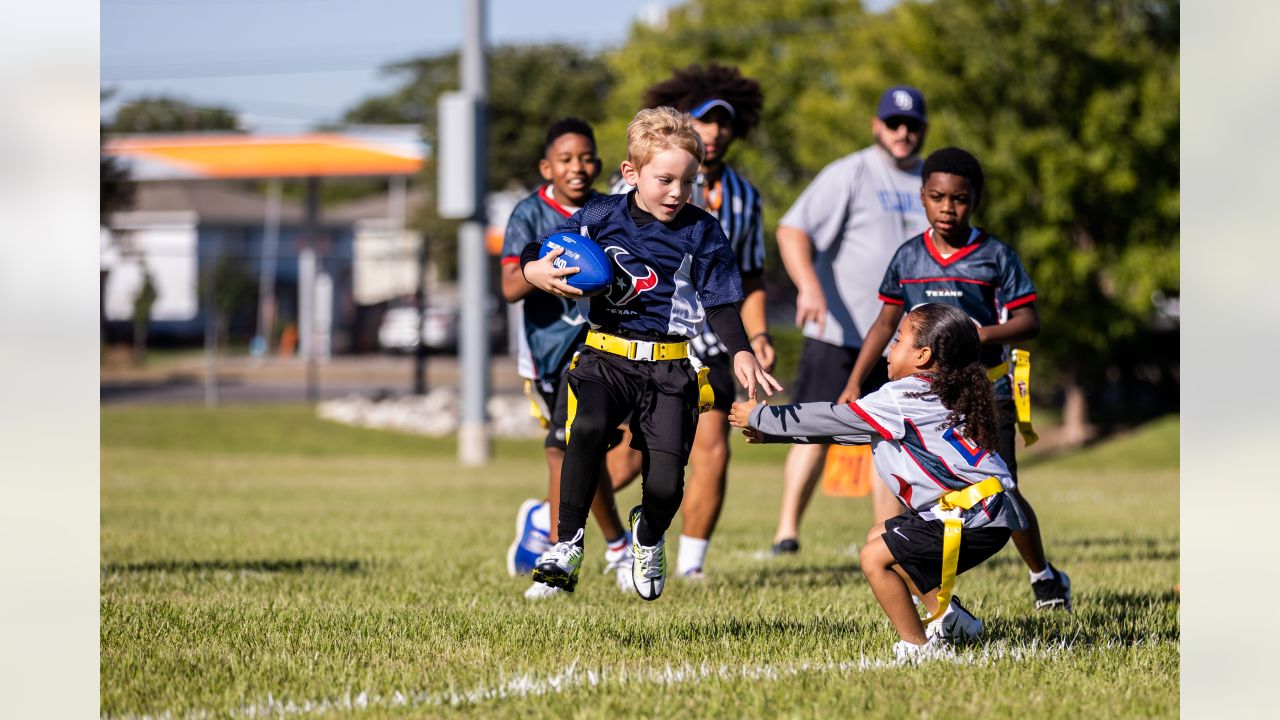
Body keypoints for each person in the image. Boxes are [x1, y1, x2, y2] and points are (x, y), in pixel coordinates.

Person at [521, 107, 781, 600]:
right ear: (631, 173)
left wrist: (742, 352)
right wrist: (535, 271)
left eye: (689, 182)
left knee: (664, 484)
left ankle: (647, 534)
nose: (677, 193)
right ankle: (567, 542)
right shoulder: (601, 216)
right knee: (589, 428)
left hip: (669, 366)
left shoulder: (703, 231)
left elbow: (722, 300)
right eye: (665, 180)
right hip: (605, 355)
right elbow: (539, 245)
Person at [838, 146, 1071, 610]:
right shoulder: (908, 258)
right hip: (927, 401)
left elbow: (1030, 321)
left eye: (959, 198)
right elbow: (886, 324)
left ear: (974, 199)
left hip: (986, 393)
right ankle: (939, 602)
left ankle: (1043, 576)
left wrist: (975, 334)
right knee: (925, 496)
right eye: (937, 196)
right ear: (922, 197)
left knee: (1000, 487)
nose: (948, 207)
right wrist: (854, 380)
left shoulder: (995, 256)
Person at [730, 303, 1026, 660]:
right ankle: (952, 619)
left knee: (874, 558)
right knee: (880, 536)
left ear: (922, 355)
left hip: (973, 514)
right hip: (991, 511)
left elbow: (833, 418)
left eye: (898, 339)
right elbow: (852, 432)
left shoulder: (901, 397)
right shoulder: (941, 390)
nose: (890, 348)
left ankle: (918, 648)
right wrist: (772, 435)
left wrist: (763, 416)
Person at [608, 63, 774, 579]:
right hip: (646, 336)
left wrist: (757, 335)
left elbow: (749, 274)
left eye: (724, 122)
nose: (716, 131)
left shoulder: (746, 197)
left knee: (713, 446)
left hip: (714, 339)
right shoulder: (639, 181)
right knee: (629, 459)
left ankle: (691, 565)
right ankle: (552, 518)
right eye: (706, 120)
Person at [770, 85, 932, 554]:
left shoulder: (929, 180)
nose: (904, 133)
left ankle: (886, 535)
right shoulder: (852, 172)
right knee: (814, 428)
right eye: (894, 123)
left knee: (891, 436)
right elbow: (791, 229)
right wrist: (809, 286)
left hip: (900, 343)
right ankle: (786, 531)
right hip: (839, 331)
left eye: (913, 125)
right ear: (877, 126)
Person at [500, 118, 634, 600]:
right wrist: (535, 270)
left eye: (585, 157)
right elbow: (510, 285)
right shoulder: (529, 214)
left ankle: (566, 538)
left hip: (603, 348)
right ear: (546, 167)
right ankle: (602, 544)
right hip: (548, 355)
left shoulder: (610, 210)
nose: (577, 167)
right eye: (565, 159)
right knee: (571, 447)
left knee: (618, 446)